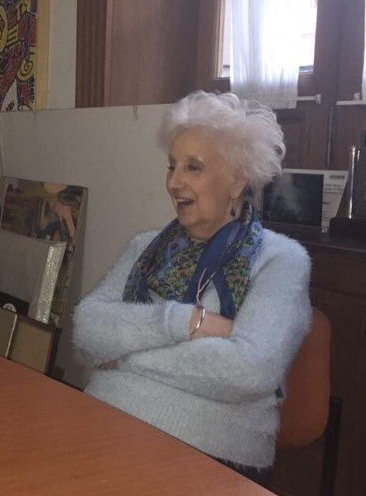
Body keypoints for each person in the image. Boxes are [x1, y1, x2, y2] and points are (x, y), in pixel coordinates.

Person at [72, 91, 311, 484]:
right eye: (172, 166)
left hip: (208, 457)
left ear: (237, 180)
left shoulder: (280, 260)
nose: (173, 182)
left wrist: (126, 357)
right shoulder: (145, 247)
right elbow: (87, 326)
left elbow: (250, 370)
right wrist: (184, 322)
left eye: (193, 168)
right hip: (103, 426)